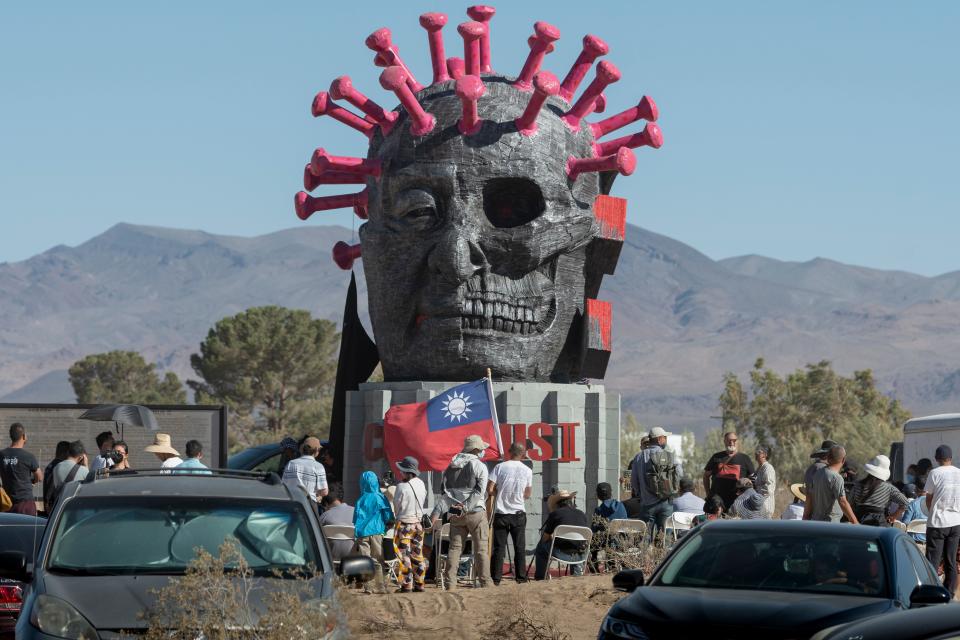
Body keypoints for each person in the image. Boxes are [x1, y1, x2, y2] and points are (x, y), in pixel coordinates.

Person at [431, 434, 492, 589]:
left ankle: (450, 584)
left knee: (454, 548)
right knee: (481, 549)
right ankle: (486, 583)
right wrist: (465, 507)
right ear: (477, 449)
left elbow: (444, 495)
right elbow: (479, 492)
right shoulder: (479, 466)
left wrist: (436, 514)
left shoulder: (450, 467)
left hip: (455, 512)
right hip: (475, 512)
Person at [488, 441, 533, 585]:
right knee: (519, 547)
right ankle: (520, 577)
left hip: (501, 513)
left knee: (499, 547)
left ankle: (496, 578)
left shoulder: (499, 467)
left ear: (509, 451)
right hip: (518, 512)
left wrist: (499, 492)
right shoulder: (527, 470)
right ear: (523, 454)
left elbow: (489, 489)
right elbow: (527, 494)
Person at [630, 426, 682, 541]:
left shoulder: (639, 457)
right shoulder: (669, 456)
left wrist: (641, 494)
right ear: (659, 439)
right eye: (665, 437)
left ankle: (645, 558)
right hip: (666, 502)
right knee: (664, 537)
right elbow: (679, 474)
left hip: (647, 504)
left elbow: (634, 481)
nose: (666, 440)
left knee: (645, 537)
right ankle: (662, 558)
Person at [925, 445, 960, 595]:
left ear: (937, 459)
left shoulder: (934, 473)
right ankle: (949, 593)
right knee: (950, 561)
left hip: (937, 523)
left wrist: (932, 511)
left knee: (932, 561)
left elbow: (928, 498)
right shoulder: (959, 472)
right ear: (950, 458)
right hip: (956, 523)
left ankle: (933, 592)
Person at [534, 490, 590, 579]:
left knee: (541, 547)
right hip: (580, 555)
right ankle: (577, 573)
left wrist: (553, 538)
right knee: (577, 544)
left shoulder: (555, 514)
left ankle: (541, 577)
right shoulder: (581, 514)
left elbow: (545, 538)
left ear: (557, 504)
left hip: (560, 553)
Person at [392, 456, 429, 592]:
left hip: (405, 524)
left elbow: (397, 506)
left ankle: (407, 584)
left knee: (404, 555)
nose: (400, 473)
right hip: (418, 525)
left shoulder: (401, 487)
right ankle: (420, 583)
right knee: (418, 554)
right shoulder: (421, 483)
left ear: (406, 471)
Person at [353, 470, 393, 593]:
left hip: (362, 533)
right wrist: (388, 524)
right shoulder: (380, 497)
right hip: (377, 532)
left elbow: (355, 519)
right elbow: (388, 515)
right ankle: (380, 586)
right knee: (378, 559)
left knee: (365, 560)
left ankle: (368, 587)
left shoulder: (360, 500)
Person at [803, 445, 858, 524]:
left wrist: (805, 517)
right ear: (843, 460)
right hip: (830, 524)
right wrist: (855, 523)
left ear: (828, 458)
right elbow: (843, 502)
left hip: (815, 522)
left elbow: (809, 496)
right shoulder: (836, 478)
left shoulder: (818, 473)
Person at [849, 454, 909, 526]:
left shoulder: (857, 485)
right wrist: (894, 516)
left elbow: (849, 503)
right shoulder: (889, 488)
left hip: (859, 521)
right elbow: (905, 503)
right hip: (879, 524)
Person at [703, 431, 754, 510]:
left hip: (737, 503)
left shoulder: (745, 458)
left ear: (737, 442)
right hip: (717, 503)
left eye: (734, 440)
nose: (731, 443)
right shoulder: (716, 457)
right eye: (728, 440)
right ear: (724, 441)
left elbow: (752, 479)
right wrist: (708, 494)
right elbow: (706, 475)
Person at [0, 423, 42, 516]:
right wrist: (33, 481)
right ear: (24, 436)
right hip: (25, 503)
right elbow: (39, 476)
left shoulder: (1, 455)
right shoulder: (28, 456)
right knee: (27, 528)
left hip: (7, 503)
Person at [282, 437, 329, 504]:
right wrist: (318, 496)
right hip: (309, 505)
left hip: (292, 502)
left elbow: (283, 485)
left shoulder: (291, 463)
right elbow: (324, 492)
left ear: (302, 449)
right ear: (316, 450)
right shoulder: (318, 467)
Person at [318, 483, 355, 562]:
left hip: (331, 561)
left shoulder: (324, 516)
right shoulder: (357, 513)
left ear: (326, 504)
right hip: (353, 559)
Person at [50, 441, 89, 511]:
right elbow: (89, 486)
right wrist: (86, 466)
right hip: (76, 506)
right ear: (81, 457)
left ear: (68, 452)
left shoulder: (56, 467)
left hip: (60, 506)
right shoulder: (83, 470)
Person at [42, 440, 71, 511]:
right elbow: (51, 485)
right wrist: (47, 503)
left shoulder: (52, 464)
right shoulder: (58, 466)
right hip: (53, 505)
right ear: (66, 453)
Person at [753, 445, 776, 517]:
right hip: (758, 507)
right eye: (756, 451)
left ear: (765, 455)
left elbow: (768, 489)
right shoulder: (759, 468)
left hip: (765, 508)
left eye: (759, 452)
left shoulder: (768, 468)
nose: (756, 453)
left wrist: (754, 488)